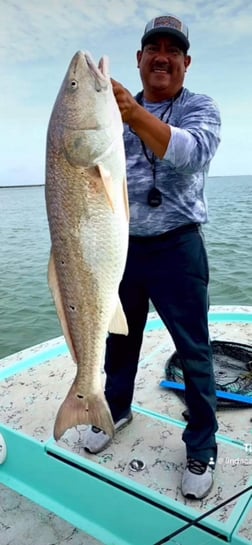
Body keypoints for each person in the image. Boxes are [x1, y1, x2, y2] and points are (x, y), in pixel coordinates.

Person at [84, 14, 221, 500]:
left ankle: (201, 446)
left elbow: (187, 152)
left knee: (194, 352)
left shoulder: (199, 108)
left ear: (186, 62)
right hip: (120, 247)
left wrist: (131, 114)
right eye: (152, 49)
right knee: (118, 340)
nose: (162, 57)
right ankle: (114, 408)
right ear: (139, 60)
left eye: (172, 50)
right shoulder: (111, 112)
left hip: (178, 247)